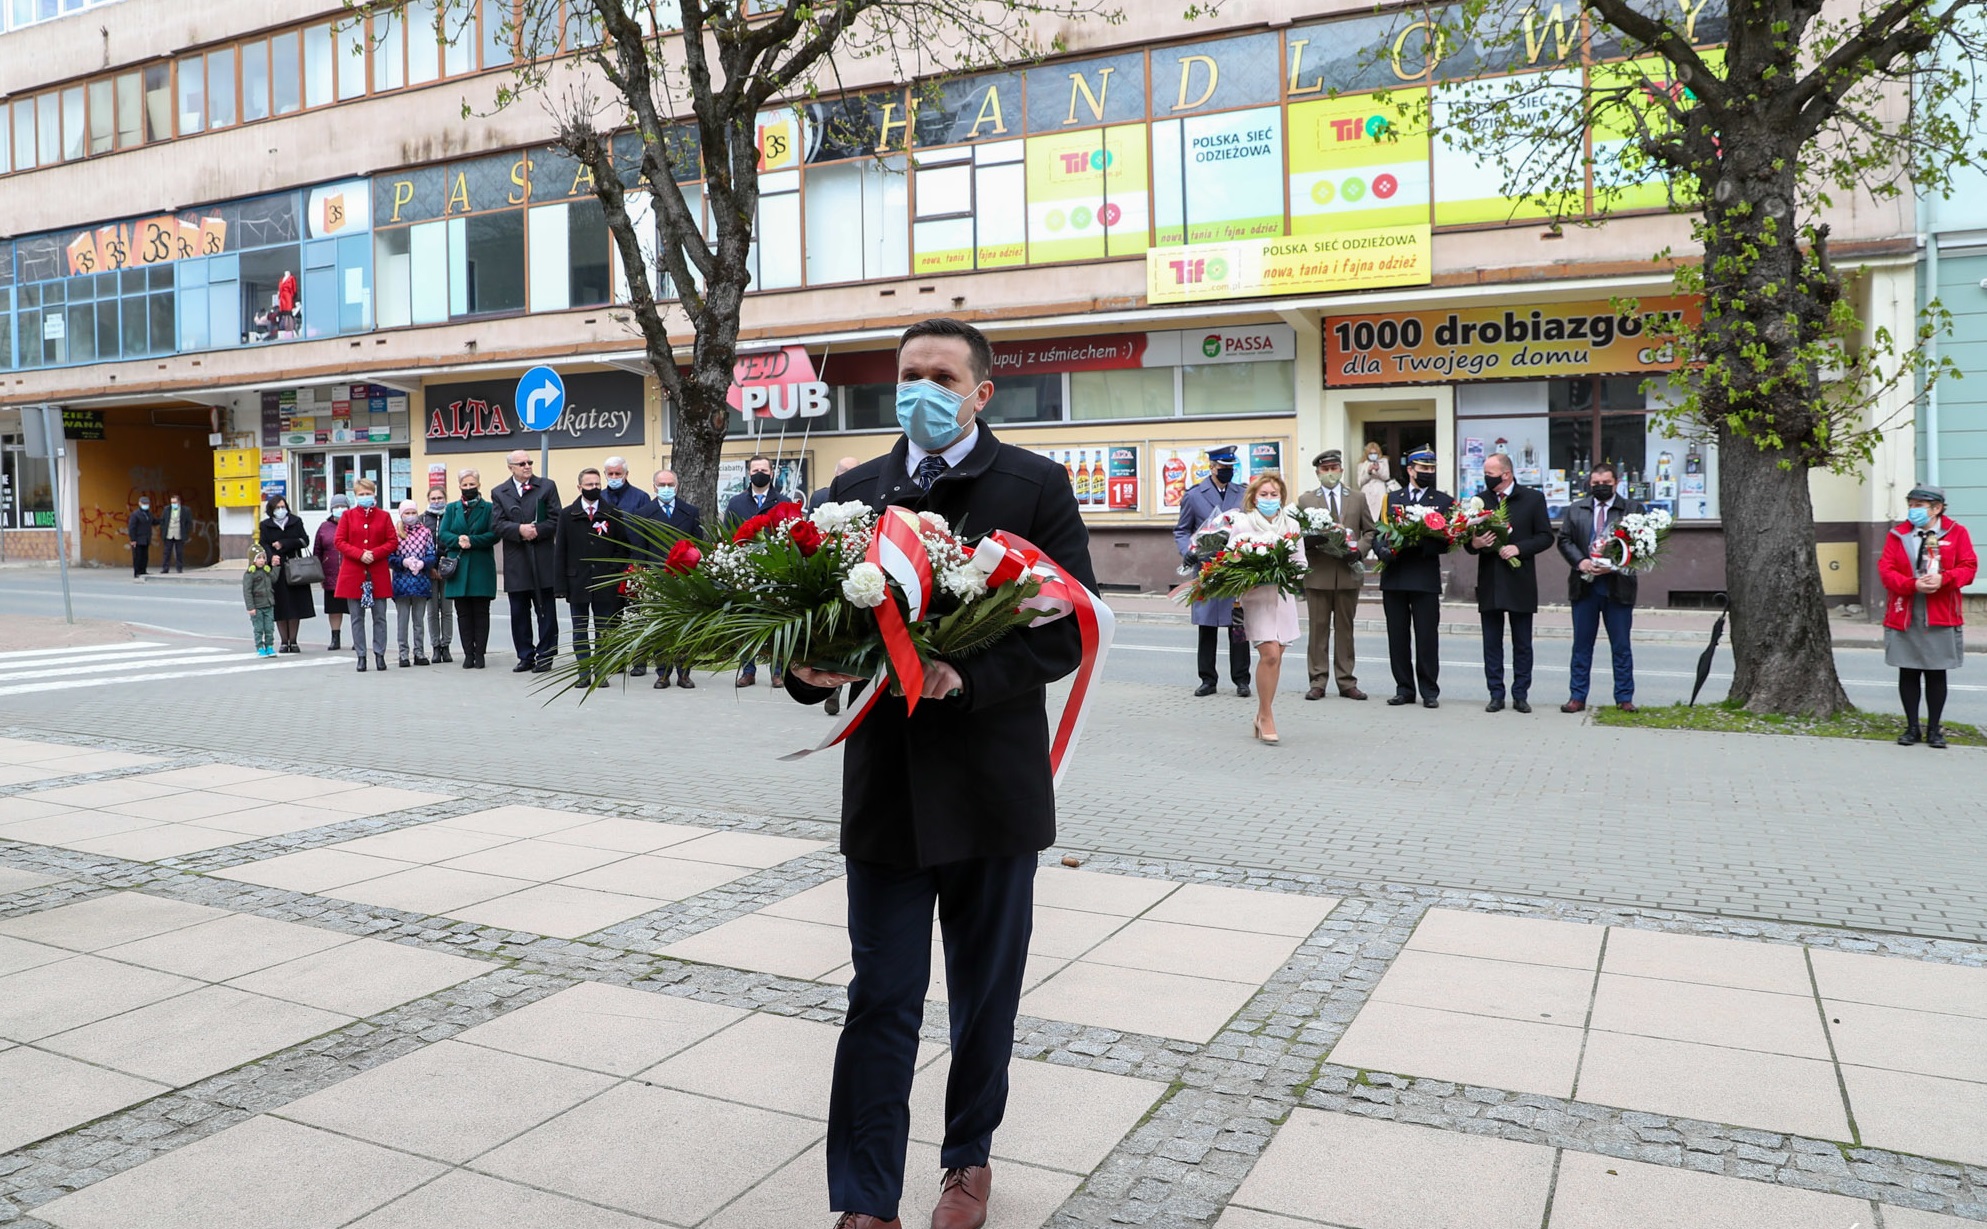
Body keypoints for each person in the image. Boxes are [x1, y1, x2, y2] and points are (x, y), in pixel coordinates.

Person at [785, 317, 1095, 1229]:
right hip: (885, 793)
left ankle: (968, 1162)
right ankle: (865, 1197)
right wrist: (802, 672)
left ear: (979, 392)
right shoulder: (853, 490)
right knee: (879, 994)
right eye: (908, 373)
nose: (920, 388)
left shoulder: (1031, 484)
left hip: (992, 792)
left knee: (982, 995)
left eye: (940, 375)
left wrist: (969, 673)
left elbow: (1070, 625)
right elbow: (805, 622)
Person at [1881, 485, 1976, 749]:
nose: (1913, 510)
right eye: (1911, 504)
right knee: (1908, 670)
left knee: (1936, 673)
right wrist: (1912, 585)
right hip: (1907, 610)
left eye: (1919, 506)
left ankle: (1935, 729)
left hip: (1940, 611)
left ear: (1937, 509)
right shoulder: (1898, 534)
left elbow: (1969, 567)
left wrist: (1943, 579)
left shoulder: (1956, 533)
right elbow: (1886, 570)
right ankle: (1912, 728)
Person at [1464, 453, 1555, 713]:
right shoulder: (1481, 501)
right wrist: (1475, 544)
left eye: (1490, 473)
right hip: (1491, 580)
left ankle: (1520, 694)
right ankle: (1495, 694)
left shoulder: (1532, 499)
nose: (1486, 477)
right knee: (1491, 642)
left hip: (1520, 580)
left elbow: (1546, 537)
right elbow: (1467, 540)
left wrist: (1519, 548)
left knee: (1522, 643)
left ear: (1506, 474)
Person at [1557, 462, 1641, 713]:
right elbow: (1564, 539)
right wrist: (1580, 562)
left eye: (1606, 484)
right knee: (1582, 645)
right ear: (1589, 484)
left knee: (1621, 646)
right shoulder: (1576, 509)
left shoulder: (1632, 509)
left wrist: (1614, 564)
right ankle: (1577, 696)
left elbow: (1641, 545)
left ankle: (1624, 697)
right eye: (1596, 484)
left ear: (1616, 483)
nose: (1601, 488)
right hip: (1584, 587)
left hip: (1618, 586)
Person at [1374, 447, 1453, 708]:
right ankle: (1404, 689)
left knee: (1427, 637)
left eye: (1431, 469)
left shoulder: (1442, 501)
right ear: (1410, 470)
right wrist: (1382, 550)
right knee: (1397, 637)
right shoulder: (1392, 499)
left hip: (1424, 576)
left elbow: (1449, 541)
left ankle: (1429, 691)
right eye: (1423, 469)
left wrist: (1422, 545)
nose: (1428, 473)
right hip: (1395, 576)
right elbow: (1378, 532)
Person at [1296, 449, 1374, 702]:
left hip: (1347, 572)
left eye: (1334, 468)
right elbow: (1297, 534)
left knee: (1345, 630)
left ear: (1341, 469)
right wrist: (1311, 541)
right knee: (1318, 631)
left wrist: (1359, 552)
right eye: (1325, 469)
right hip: (1318, 574)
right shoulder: (1306, 500)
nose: (1330, 473)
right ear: (1318, 472)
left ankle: (1346, 681)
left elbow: (1370, 532)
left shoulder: (1357, 497)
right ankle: (1318, 680)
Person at [1173, 445, 1251, 698]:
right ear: (1211, 467)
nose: (1227, 472)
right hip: (1206, 568)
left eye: (1231, 468)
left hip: (1235, 568)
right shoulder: (1195, 495)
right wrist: (1188, 551)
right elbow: (1182, 529)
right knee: (1206, 626)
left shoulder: (1243, 493)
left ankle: (1242, 680)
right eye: (1222, 468)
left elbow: (1251, 525)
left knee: (1238, 627)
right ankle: (1208, 680)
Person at [1235, 474, 1300, 745]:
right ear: (1253, 497)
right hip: (1256, 598)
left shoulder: (1292, 524)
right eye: (1264, 495)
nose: (1270, 500)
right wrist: (1252, 572)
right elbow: (1231, 559)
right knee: (1270, 654)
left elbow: (1301, 561)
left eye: (1274, 495)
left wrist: (1287, 572)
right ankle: (1267, 716)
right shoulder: (1243, 523)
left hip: (1283, 599)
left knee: (1278, 655)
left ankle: (1261, 715)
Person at [557, 467, 636, 689]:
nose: (594, 488)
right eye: (589, 485)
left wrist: (613, 571)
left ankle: (601, 671)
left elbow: (623, 548)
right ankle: (583, 672)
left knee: (602, 629)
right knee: (580, 629)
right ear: (579, 487)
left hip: (604, 582)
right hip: (577, 582)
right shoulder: (567, 514)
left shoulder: (612, 513)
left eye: (597, 484)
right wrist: (561, 585)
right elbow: (560, 551)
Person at [492, 449, 562, 673]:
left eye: (529, 462)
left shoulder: (547, 486)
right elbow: (497, 525)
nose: (527, 466)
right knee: (519, 613)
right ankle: (525, 655)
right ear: (511, 467)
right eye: (521, 463)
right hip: (517, 562)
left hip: (542, 559)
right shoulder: (499, 492)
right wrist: (519, 530)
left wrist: (537, 530)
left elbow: (556, 518)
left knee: (546, 611)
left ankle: (546, 655)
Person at [727, 454, 788, 688]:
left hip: (776, 570)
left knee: (776, 622)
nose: (759, 474)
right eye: (754, 470)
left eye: (763, 469)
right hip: (746, 572)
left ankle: (777, 671)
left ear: (771, 473)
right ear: (748, 474)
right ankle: (748, 670)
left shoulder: (782, 501)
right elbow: (729, 535)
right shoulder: (736, 503)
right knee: (746, 622)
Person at [644, 468, 702, 689]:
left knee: (685, 626)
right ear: (654, 487)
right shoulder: (645, 512)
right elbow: (640, 549)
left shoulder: (690, 512)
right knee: (661, 627)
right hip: (658, 578)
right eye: (662, 485)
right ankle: (663, 672)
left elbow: (697, 545)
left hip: (684, 578)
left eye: (670, 485)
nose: (666, 489)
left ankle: (684, 672)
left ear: (677, 487)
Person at [333, 478, 396, 673]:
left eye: (368, 493)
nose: (365, 497)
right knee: (356, 618)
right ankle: (361, 656)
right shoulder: (348, 517)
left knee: (380, 617)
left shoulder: (384, 516)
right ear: (355, 496)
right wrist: (359, 553)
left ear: (374, 494)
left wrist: (374, 554)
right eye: (361, 494)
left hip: (377, 573)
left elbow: (392, 541)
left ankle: (380, 655)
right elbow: (339, 541)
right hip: (354, 574)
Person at [440, 468, 498, 669]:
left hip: (481, 567)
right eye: (465, 485)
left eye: (472, 484)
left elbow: (494, 533)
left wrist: (472, 541)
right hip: (459, 567)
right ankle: (468, 654)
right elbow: (443, 533)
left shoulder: (489, 508)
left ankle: (480, 654)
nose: (468, 488)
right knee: (463, 613)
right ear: (459, 487)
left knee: (481, 613)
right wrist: (458, 540)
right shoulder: (452, 508)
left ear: (479, 485)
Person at [258, 494, 316, 653]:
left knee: (295, 604)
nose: (280, 510)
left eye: (283, 507)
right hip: (277, 569)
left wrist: (284, 543)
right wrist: (271, 557)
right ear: (271, 509)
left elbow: (304, 540)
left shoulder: (295, 521)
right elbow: (263, 543)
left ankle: (294, 641)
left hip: (295, 566)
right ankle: (284, 641)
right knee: (281, 605)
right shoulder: (265, 525)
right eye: (277, 507)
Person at [390, 498, 437, 668]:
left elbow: (432, 554)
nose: (410, 516)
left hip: (421, 582)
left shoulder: (425, 532)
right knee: (402, 620)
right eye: (407, 513)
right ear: (401, 515)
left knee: (419, 621)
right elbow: (390, 557)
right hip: (401, 583)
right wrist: (403, 562)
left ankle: (419, 652)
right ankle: (403, 654)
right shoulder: (395, 532)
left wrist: (424, 563)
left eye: (413, 512)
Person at [419, 485, 455, 663]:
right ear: (428, 500)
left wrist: (445, 568)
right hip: (429, 571)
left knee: (447, 611)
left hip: (448, 570)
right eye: (433, 498)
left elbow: (453, 542)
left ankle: (446, 646)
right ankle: (435, 647)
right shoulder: (422, 519)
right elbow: (420, 547)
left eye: (440, 498)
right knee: (432, 611)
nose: (436, 501)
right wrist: (431, 568)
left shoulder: (452, 515)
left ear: (445, 498)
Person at [314, 495, 349, 651]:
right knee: (334, 609)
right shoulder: (324, 527)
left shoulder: (353, 523)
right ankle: (335, 638)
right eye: (336, 507)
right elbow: (317, 551)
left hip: (352, 574)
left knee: (355, 609)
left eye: (343, 506)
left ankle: (358, 638)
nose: (340, 509)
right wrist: (319, 573)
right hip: (331, 574)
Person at [243, 546, 277, 658]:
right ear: (253, 560)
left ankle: (269, 646)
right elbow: (247, 592)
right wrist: (250, 607)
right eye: (259, 558)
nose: (262, 560)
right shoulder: (249, 574)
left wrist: (275, 567)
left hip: (268, 604)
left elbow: (274, 579)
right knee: (259, 628)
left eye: (263, 558)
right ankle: (260, 647)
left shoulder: (266, 571)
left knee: (269, 628)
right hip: (257, 607)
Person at [1357, 441, 1396, 521]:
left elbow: (1386, 477)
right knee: (1368, 514)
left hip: (1380, 491)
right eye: (1370, 453)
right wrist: (1369, 472)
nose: (1373, 455)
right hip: (1367, 492)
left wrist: (1378, 469)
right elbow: (1360, 482)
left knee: (1380, 512)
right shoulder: (1362, 464)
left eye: (1375, 453)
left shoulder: (1383, 462)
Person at [126, 496, 157, 579]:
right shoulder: (135, 514)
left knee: (145, 556)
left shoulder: (148, 514)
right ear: (139, 503)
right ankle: (137, 572)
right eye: (144, 503)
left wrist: (163, 520)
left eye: (147, 504)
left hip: (146, 538)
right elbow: (132, 528)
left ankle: (143, 571)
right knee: (137, 556)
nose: (146, 505)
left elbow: (153, 521)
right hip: (138, 539)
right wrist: (133, 539)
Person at [159, 494, 191, 573]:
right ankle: (165, 568)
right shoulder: (166, 509)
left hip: (179, 533)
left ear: (179, 502)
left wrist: (186, 532)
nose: (173, 504)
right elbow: (162, 521)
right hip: (169, 533)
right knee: (167, 552)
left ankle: (179, 568)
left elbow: (189, 522)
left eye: (175, 502)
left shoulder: (186, 510)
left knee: (179, 552)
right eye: (172, 502)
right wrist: (163, 530)